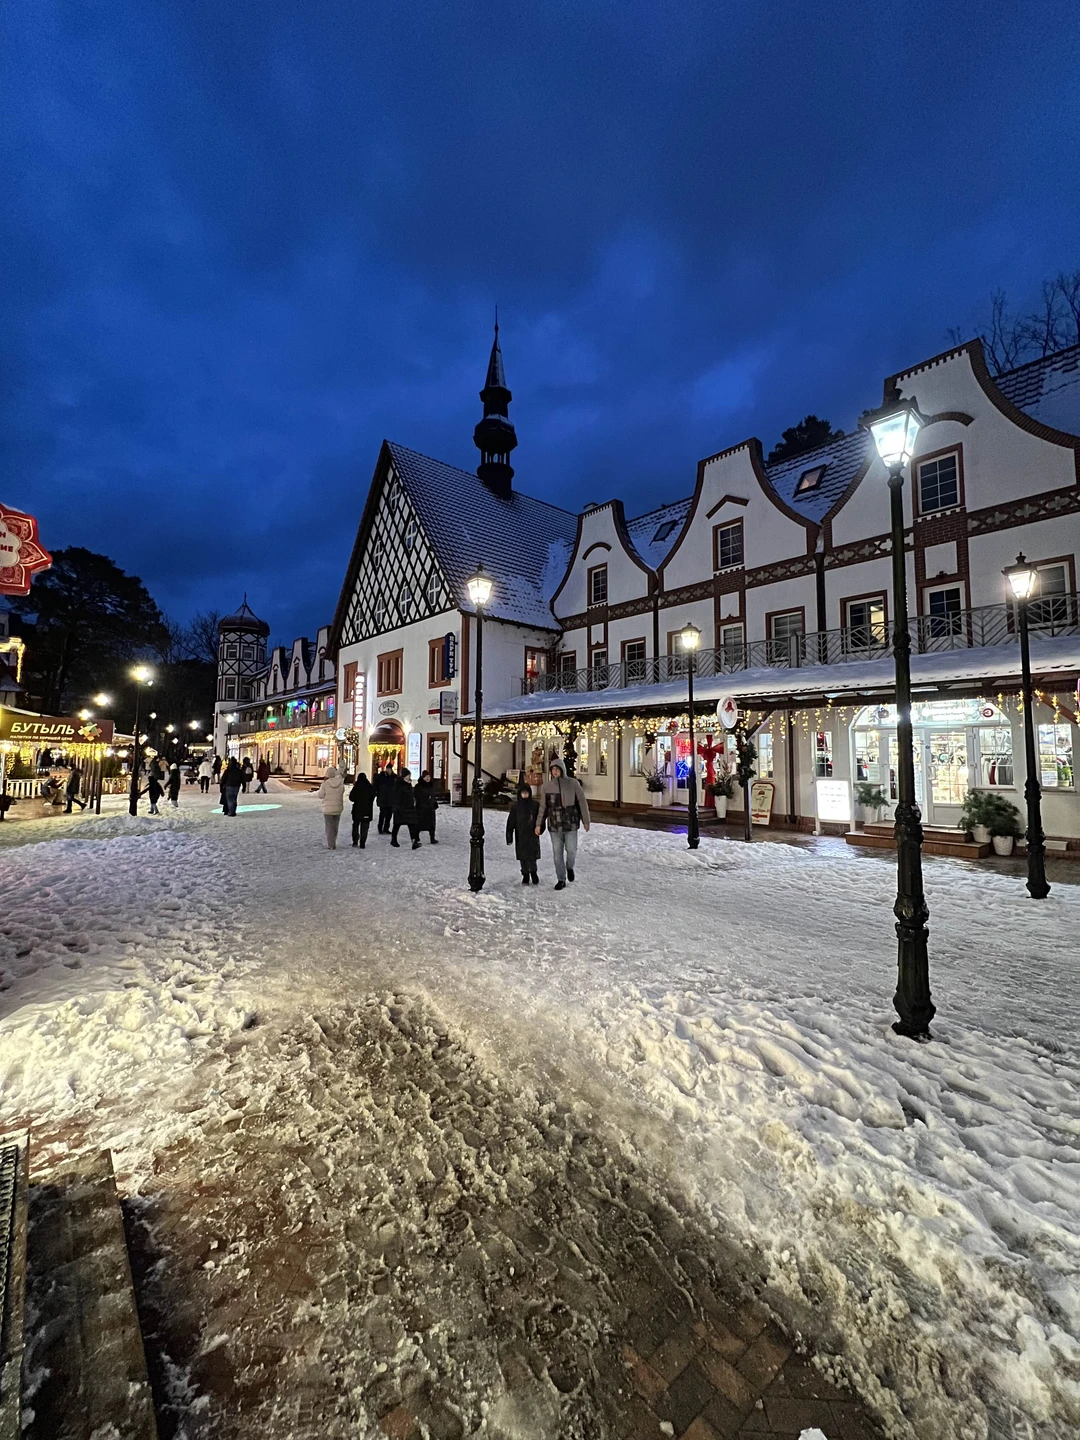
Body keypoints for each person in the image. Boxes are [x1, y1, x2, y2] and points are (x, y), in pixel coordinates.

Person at [536, 759, 590, 890]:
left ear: (562, 769)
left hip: (571, 824)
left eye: (557, 769)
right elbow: (543, 807)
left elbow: (582, 802)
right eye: (552, 769)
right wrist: (538, 824)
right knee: (557, 854)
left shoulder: (573, 784)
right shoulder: (546, 787)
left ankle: (570, 867)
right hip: (555, 825)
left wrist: (586, 820)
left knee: (571, 850)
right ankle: (561, 879)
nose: (555, 772)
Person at [506, 781, 542, 884]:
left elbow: (540, 819)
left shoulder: (535, 805)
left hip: (532, 834)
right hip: (520, 835)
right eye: (523, 793)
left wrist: (540, 828)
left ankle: (534, 872)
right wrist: (509, 836)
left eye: (527, 793)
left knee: (532, 856)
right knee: (523, 857)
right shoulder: (516, 807)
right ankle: (525, 874)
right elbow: (511, 822)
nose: (525, 795)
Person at [391, 768, 420, 849]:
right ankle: (393, 839)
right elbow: (396, 796)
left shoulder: (409, 784)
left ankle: (414, 841)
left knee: (412, 825)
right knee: (397, 824)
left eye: (409, 776)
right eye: (407, 776)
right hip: (401, 808)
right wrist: (396, 807)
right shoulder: (399, 784)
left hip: (409, 808)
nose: (409, 777)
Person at [317, 764, 345, 849]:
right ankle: (334, 840)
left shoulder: (325, 784)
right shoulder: (340, 783)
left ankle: (331, 844)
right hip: (338, 808)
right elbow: (342, 792)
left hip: (328, 809)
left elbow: (320, 795)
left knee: (329, 827)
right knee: (335, 826)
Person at [348, 772, 375, 848]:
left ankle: (355, 841)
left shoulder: (357, 787)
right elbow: (373, 796)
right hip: (367, 810)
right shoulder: (370, 787)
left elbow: (351, 798)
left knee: (356, 825)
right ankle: (363, 842)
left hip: (357, 810)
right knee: (365, 826)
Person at [414, 770, 439, 844]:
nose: (428, 778)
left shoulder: (431, 785)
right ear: (423, 777)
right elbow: (416, 796)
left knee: (432, 824)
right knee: (419, 824)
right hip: (421, 808)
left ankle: (432, 838)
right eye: (426, 777)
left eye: (428, 777)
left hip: (430, 808)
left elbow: (433, 795)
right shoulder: (418, 786)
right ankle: (416, 837)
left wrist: (434, 802)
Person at [374, 765, 395, 834]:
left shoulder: (394, 777)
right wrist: (378, 793)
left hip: (391, 799)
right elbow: (376, 786)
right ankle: (380, 828)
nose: (388, 770)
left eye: (390, 769)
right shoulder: (381, 777)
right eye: (387, 769)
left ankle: (386, 828)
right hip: (383, 799)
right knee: (382, 814)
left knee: (389, 815)